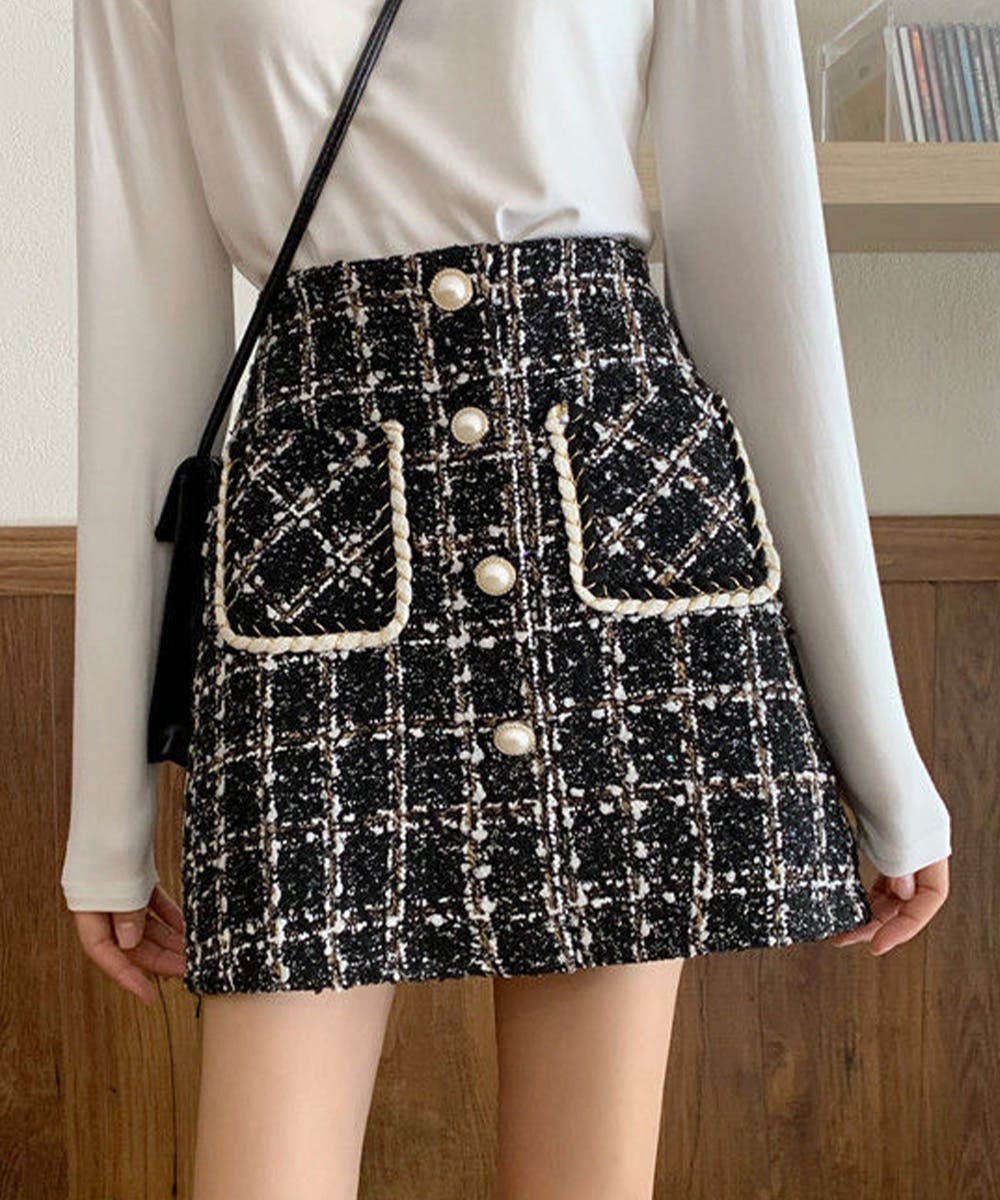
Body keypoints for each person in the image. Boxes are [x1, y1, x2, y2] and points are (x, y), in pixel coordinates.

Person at [62, 2, 951, 1196]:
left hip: (614, 531)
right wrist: (105, 822)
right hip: (317, 547)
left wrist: (880, 755)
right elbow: (145, 316)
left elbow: (762, 274)